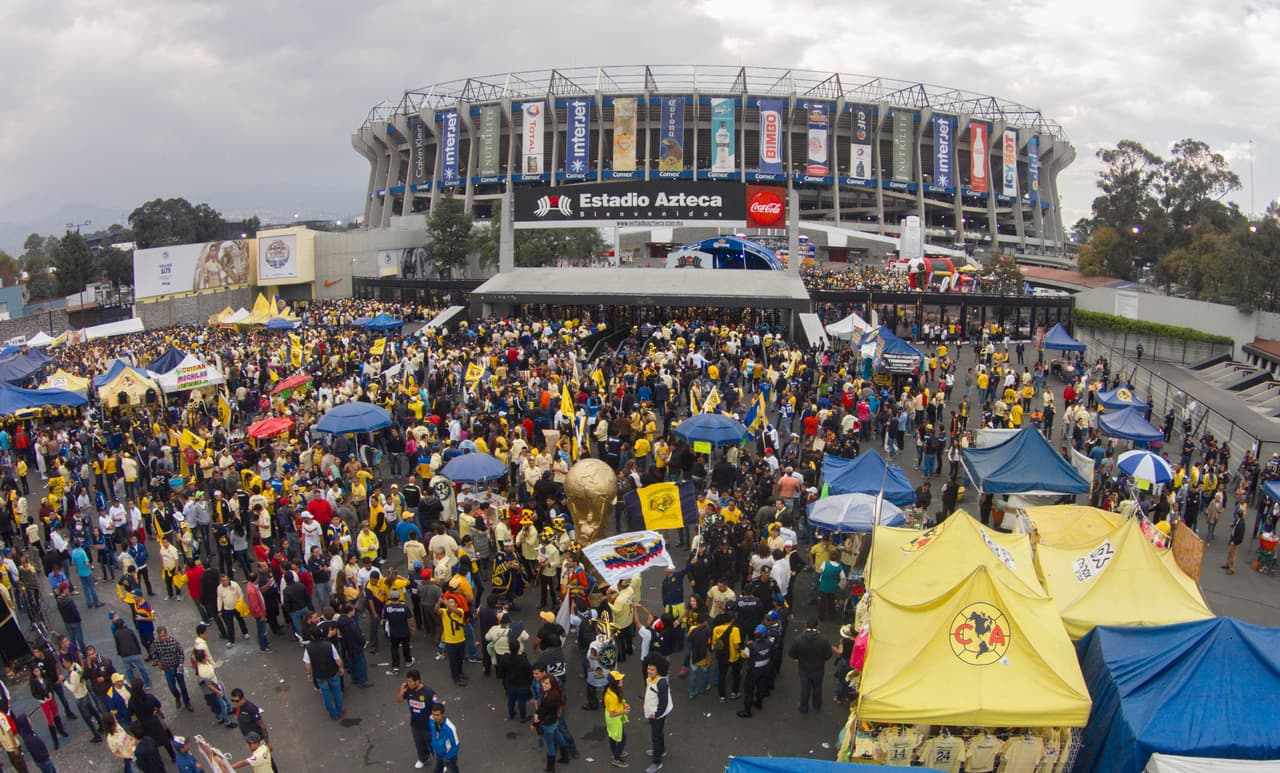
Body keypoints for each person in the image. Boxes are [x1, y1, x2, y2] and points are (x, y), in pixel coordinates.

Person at [788, 618, 835, 714]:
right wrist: (822, 660)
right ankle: (817, 705)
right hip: (818, 668)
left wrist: (798, 658)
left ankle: (803, 707)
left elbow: (792, 654)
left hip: (804, 669)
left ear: (805, 626)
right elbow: (829, 654)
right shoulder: (823, 639)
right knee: (817, 687)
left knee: (805, 688)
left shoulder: (799, 639)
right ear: (817, 627)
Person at [396, 669, 436, 770]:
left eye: (410, 681)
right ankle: (423, 758)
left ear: (417, 682)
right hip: (415, 724)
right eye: (407, 681)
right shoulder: (408, 690)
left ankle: (440, 763)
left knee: (433, 745)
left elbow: (436, 708)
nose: (408, 684)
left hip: (428, 726)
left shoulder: (428, 692)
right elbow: (399, 700)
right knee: (419, 744)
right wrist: (401, 691)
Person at [302, 628, 345, 720]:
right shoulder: (329, 645)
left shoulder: (308, 649)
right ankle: (340, 710)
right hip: (332, 672)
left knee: (326, 695)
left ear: (312, 636)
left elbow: (307, 664)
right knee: (337, 691)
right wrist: (341, 668)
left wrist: (309, 674)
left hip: (320, 675)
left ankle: (333, 714)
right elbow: (337, 659)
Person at [148, 626, 193, 713]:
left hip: (177, 666)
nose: (163, 638)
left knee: (183, 686)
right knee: (172, 687)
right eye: (161, 636)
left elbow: (180, 652)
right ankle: (177, 697)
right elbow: (153, 653)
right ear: (157, 636)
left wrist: (180, 664)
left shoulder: (173, 641)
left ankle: (187, 702)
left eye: (164, 635)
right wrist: (158, 662)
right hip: (167, 668)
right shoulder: (155, 643)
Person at [736, 624, 774, 719]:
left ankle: (747, 711)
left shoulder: (751, 646)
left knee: (749, 691)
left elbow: (744, 655)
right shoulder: (769, 643)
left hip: (753, 671)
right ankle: (758, 703)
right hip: (765, 669)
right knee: (761, 687)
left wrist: (741, 649)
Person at [641, 654, 671, 773]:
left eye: (652, 669)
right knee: (658, 734)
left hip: (657, 715)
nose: (649, 671)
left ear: (659, 669)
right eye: (648, 668)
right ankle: (661, 751)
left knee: (656, 737)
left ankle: (657, 761)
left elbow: (664, 702)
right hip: (653, 713)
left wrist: (657, 714)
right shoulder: (650, 679)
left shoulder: (661, 683)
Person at [533, 669, 567, 771]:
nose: (544, 685)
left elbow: (542, 712)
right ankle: (565, 756)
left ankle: (550, 767)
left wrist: (535, 722)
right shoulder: (554, 694)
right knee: (558, 736)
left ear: (552, 684)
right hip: (554, 721)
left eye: (547, 683)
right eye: (543, 683)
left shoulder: (549, 698)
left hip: (547, 724)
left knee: (550, 746)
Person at [603, 670, 630, 768]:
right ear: (615, 682)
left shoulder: (613, 690)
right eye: (620, 679)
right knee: (623, 738)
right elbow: (612, 714)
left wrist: (624, 704)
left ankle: (614, 752)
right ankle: (616, 759)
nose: (622, 680)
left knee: (612, 735)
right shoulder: (612, 697)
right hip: (614, 719)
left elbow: (620, 700)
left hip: (613, 718)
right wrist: (624, 712)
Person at [215, 574, 249, 647]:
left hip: (236, 607)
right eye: (224, 581)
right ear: (221, 582)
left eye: (227, 580)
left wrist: (240, 603)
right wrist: (219, 610)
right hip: (227, 609)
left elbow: (240, 594)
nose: (226, 582)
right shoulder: (219, 588)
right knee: (230, 626)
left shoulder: (235, 584)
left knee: (241, 620)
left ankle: (245, 632)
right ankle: (231, 641)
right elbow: (219, 599)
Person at [428, 702, 461, 773]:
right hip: (438, 753)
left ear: (442, 714)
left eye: (437, 715)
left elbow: (456, 745)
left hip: (448, 757)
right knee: (437, 770)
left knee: (452, 770)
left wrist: (447, 756)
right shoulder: (431, 720)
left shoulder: (450, 728)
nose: (435, 717)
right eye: (433, 714)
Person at [1224, 507, 1246, 574]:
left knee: (1233, 555)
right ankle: (1227, 564)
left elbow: (1240, 535)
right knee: (1229, 552)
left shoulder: (1241, 524)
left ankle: (1232, 568)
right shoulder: (1238, 520)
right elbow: (1235, 526)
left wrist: (1235, 542)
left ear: (1238, 515)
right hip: (1233, 539)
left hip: (1235, 541)